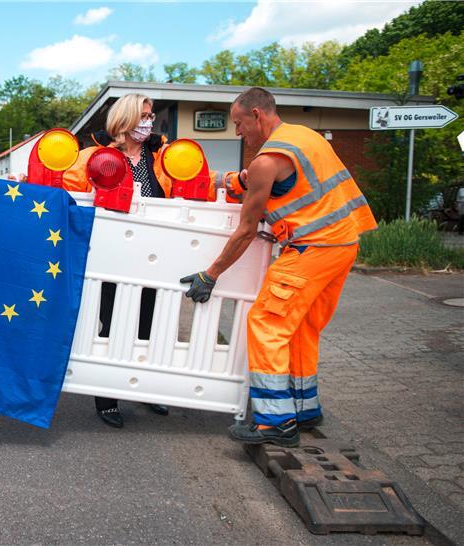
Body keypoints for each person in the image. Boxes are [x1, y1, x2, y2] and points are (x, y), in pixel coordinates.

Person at [181, 87, 377, 447]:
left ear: (256, 115)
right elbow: (281, 185)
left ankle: (275, 422)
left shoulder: (267, 161)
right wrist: (228, 181)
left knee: (266, 324)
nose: (238, 131)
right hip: (343, 244)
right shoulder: (304, 137)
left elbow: (246, 230)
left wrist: (210, 275)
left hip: (310, 249)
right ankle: (304, 409)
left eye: (239, 123)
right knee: (301, 326)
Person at [63, 93, 171, 428]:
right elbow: (67, 192)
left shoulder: (163, 156)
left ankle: (143, 387)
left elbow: (194, 186)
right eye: (144, 115)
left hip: (152, 257)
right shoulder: (94, 157)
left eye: (150, 116)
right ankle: (107, 396)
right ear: (125, 119)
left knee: (148, 326)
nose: (149, 122)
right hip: (110, 256)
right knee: (112, 325)